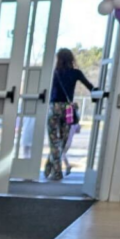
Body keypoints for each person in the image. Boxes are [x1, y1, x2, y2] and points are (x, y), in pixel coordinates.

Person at [46, 48, 95, 181]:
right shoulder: (76, 73)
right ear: (71, 59)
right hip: (68, 109)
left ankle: (55, 171)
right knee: (62, 141)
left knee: (53, 140)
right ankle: (50, 164)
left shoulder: (54, 73)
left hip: (54, 107)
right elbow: (91, 87)